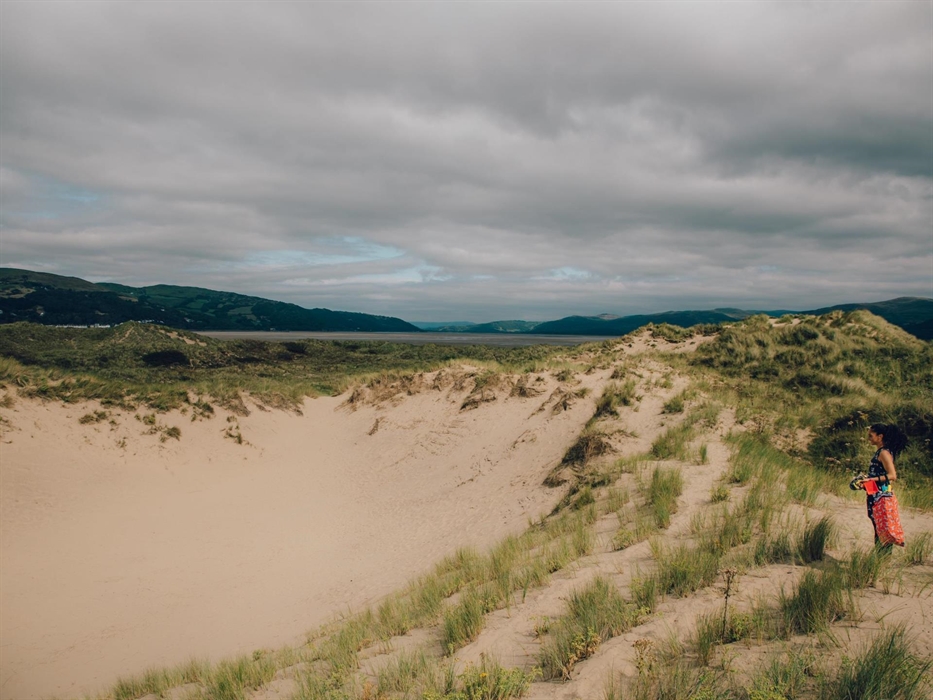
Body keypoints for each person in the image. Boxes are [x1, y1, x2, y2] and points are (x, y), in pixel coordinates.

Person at [856, 423, 907, 550]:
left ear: (880, 436)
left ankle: (881, 560)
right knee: (879, 528)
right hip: (875, 493)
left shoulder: (884, 453)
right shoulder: (880, 452)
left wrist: (871, 479)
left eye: (871, 436)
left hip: (881, 496)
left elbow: (892, 475)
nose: (869, 438)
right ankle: (880, 560)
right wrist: (865, 484)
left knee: (883, 530)